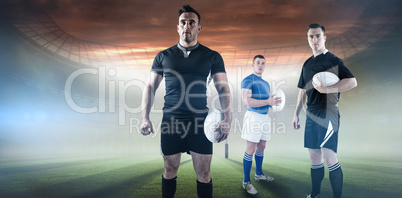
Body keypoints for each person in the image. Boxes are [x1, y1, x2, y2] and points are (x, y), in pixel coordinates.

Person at [140, 5, 232, 198]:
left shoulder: (212, 56)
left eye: (192, 22)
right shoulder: (163, 56)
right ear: (177, 27)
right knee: (170, 168)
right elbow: (150, 87)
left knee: (204, 173)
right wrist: (144, 118)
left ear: (199, 28)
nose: (187, 26)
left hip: (200, 121)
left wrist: (227, 119)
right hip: (171, 120)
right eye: (183, 22)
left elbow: (223, 87)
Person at [292, 23, 357, 198]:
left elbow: (352, 81)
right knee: (314, 158)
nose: (314, 40)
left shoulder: (333, 60)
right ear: (308, 39)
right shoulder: (306, 65)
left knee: (328, 157)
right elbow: (302, 90)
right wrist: (296, 114)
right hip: (311, 114)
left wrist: (327, 89)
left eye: (318, 36)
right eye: (311, 36)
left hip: (328, 112)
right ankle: (315, 194)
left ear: (324, 37)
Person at [240, 55, 282, 195]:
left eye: (263, 63)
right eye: (258, 63)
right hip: (253, 117)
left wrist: (275, 104)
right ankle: (246, 181)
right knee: (251, 148)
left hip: (264, 117)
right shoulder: (248, 80)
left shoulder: (266, 83)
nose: (260, 65)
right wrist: (268, 102)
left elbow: (267, 101)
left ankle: (258, 174)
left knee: (262, 146)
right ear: (253, 65)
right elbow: (247, 102)